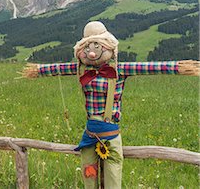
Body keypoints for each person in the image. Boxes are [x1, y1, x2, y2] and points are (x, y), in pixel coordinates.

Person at [24, 21, 199, 189]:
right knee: (88, 174)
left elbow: (150, 67)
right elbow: (57, 69)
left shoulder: (119, 69)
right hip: (89, 135)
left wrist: (180, 67)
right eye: (87, 48)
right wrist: (38, 70)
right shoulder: (82, 70)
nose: (91, 54)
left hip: (111, 134)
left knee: (114, 179)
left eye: (97, 47)